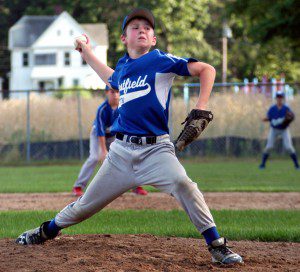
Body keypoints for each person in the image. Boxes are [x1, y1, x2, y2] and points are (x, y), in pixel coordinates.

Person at [16, 8, 242, 265]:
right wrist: (86, 52)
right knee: (85, 206)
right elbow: (110, 77)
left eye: (147, 28)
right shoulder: (123, 68)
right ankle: (45, 231)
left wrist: (201, 108)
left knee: (185, 185)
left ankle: (217, 245)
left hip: (157, 151)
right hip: (121, 153)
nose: (142, 30)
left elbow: (207, 69)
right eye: (135, 27)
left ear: (154, 39)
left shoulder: (160, 60)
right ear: (124, 38)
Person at [72, 86, 148, 196]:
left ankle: (136, 186)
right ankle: (78, 186)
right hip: (98, 134)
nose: (116, 95)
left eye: (118, 92)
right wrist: (103, 151)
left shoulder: (123, 108)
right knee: (94, 157)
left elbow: (127, 127)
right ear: (107, 93)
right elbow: (100, 131)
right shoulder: (102, 109)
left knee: (127, 157)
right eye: (112, 92)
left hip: (114, 135)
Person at [259, 91, 299, 169]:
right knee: (269, 146)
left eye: (281, 97)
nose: (279, 99)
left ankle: (297, 165)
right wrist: (265, 119)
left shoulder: (286, 108)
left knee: (289, 147)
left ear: (283, 98)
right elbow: (269, 117)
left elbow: (291, 116)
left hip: (284, 129)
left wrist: (290, 118)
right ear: (276, 98)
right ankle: (262, 164)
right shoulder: (272, 108)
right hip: (274, 129)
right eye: (278, 97)